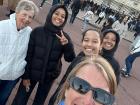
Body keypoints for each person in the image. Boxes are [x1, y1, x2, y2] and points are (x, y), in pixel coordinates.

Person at [12, 4, 76, 105]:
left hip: (48, 77)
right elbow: (28, 56)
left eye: (63, 16)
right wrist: (25, 76)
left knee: (39, 102)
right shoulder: (37, 32)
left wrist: (67, 45)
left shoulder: (64, 37)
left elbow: (70, 58)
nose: (59, 17)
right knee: (20, 100)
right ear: (51, 14)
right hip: (31, 74)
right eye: (57, 13)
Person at [48, 29, 102, 105]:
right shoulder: (80, 57)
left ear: (101, 45)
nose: (89, 44)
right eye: (86, 40)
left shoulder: (100, 70)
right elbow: (66, 80)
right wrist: (55, 98)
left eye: (95, 41)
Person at [0, 0, 39, 105]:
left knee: (3, 99)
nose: (26, 19)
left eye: (30, 17)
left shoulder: (30, 33)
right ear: (17, 12)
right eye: (24, 14)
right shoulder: (2, 26)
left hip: (13, 76)